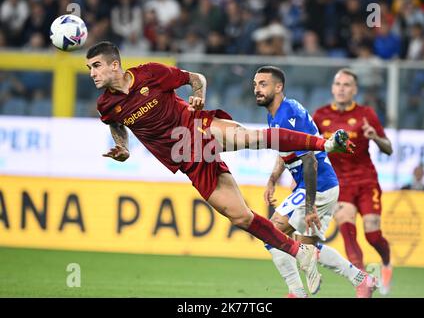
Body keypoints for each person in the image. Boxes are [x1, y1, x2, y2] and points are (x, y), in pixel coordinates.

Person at [85, 41, 354, 279]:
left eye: (96, 66)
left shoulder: (151, 73)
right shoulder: (105, 105)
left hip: (195, 125)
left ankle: (326, 143)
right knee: (240, 217)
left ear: (115, 65)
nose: (92, 73)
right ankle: (300, 252)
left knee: (254, 138)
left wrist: (199, 95)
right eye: (89, 68)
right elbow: (116, 124)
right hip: (186, 157)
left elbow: (196, 78)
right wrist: (122, 146)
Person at [254, 66, 377, 298]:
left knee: (272, 232)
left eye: (263, 84)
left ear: (278, 87)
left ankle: (297, 292)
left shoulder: (287, 116)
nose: (257, 89)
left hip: (318, 184)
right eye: (255, 85)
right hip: (315, 184)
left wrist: (310, 207)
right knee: (307, 249)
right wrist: (272, 178)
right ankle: (362, 279)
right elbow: (287, 151)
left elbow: (310, 160)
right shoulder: (278, 112)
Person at [313, 68, 393, 295]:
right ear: (332, 87)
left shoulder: (366, 114)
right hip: (339, 183)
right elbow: (308, 147)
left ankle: (386, 263)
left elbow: (389, 149)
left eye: (347, 85)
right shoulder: (319, 116)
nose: (341, 88)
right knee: (348, 230)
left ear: (355, 90)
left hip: (366, 181)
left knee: (372, 235)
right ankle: (363, 281)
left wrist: (375, 137)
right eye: (338, 84)